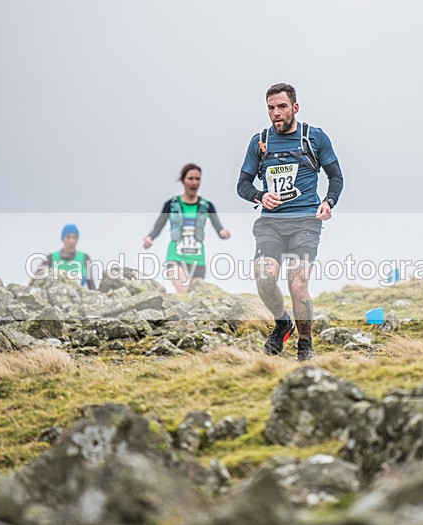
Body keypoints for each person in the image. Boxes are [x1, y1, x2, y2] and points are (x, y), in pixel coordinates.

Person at [237, 83, 344, 362]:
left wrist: (328, 202)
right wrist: (261, 196)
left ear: (295, 108)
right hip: (271, 224)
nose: (276, 113)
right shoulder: (260, 142)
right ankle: (282, 322)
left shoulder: (314, 138)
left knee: (297, 283)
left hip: (305, 222)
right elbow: (242, 185)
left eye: (282, 107)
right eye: (271, 108)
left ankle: (305, 343)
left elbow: (336, 176)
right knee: (264, 278)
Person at [144, 163, 231, 293]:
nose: (194, 182)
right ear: (183, 180)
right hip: (176, 258)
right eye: (190, 178)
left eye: (197, 179)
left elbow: (219, 228)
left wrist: (223, 232)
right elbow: (158, 226)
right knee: (184, 291)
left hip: (198, 261)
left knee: (198, 295)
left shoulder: (206, 206)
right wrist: (149, 237)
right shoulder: (171, 204)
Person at [38, 224, 96, 289]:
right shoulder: (51, 258)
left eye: (74, 237)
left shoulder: (85, 258)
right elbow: (37, 278)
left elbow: (91, 285)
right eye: (68, 237)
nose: (71, 241)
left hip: (78, 296)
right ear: (63, 238)